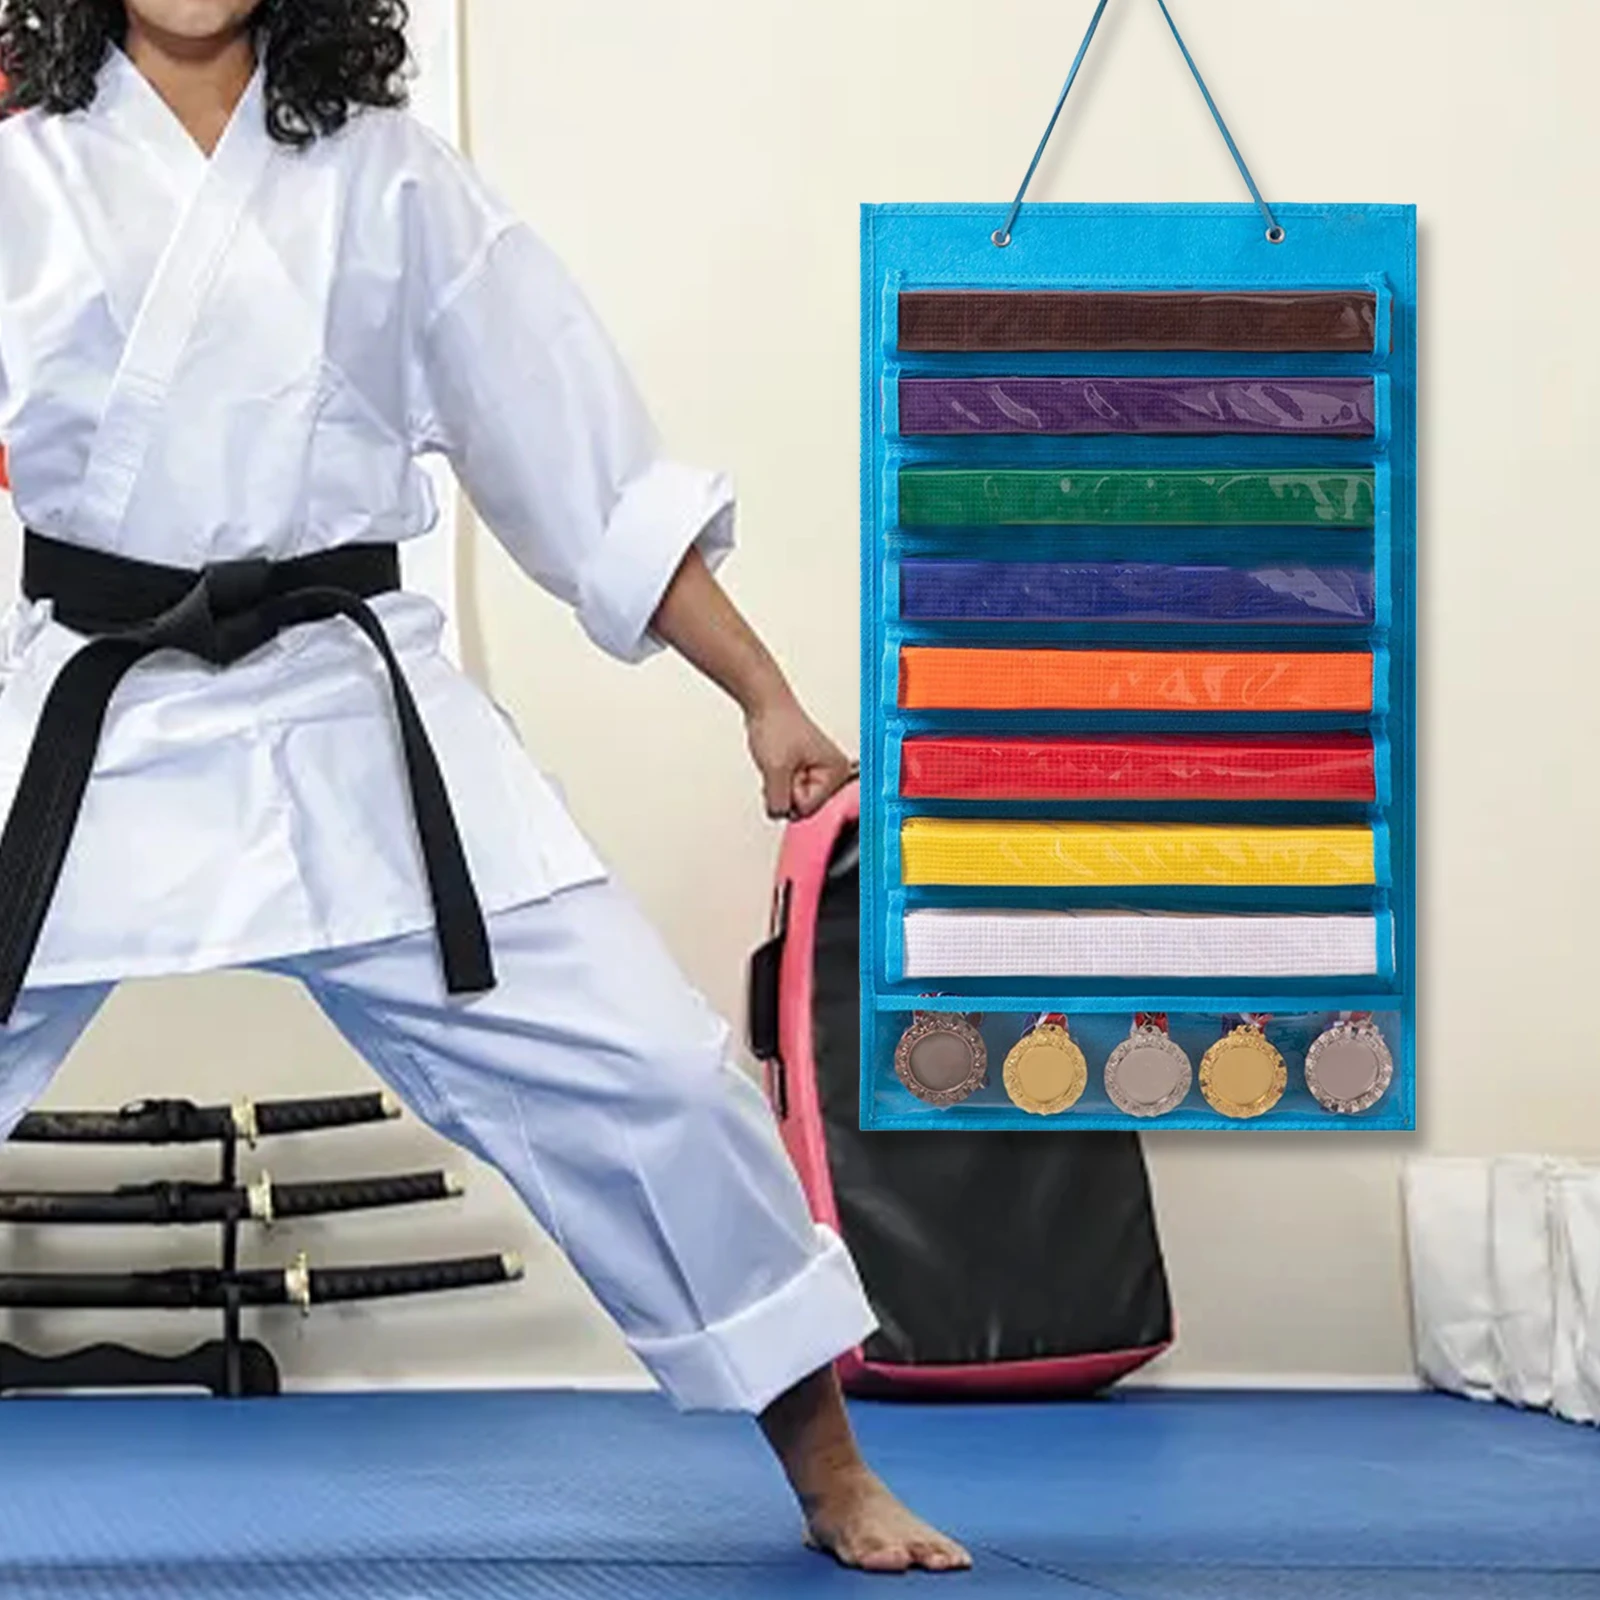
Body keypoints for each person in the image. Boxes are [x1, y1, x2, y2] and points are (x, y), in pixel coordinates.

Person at [0, 0, 970, 1574]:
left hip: (346, 712)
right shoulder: (20, 179)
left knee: (654, 1075)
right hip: (94, 723)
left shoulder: (394, 181)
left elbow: (577, 470)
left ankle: (829, 1467)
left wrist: (763, 690)